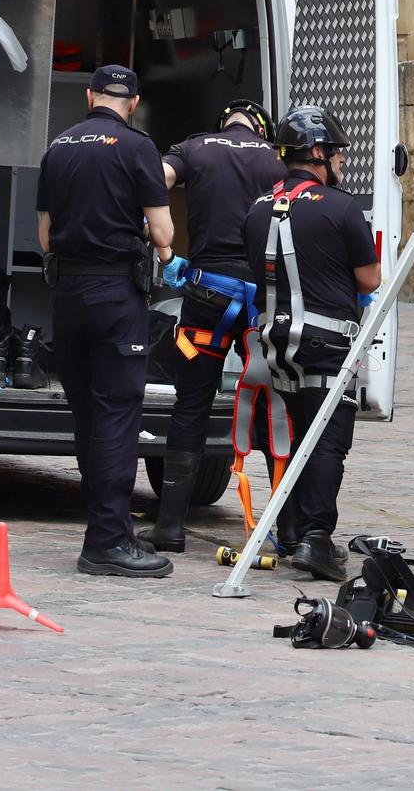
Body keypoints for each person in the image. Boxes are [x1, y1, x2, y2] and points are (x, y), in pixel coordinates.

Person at [35, 64, 176, 579]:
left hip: (68, 295)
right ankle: (109, 542)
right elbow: (162, 232)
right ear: (133, 102)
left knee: (89, 419)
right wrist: (159, 244)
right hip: (116, 295)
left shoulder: (59, 146)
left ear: (90, 95)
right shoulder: (138, 148)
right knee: (118, 414)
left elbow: (45, 237)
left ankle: (106, 525)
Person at [241, 105, 380, 582]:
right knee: (327, 444)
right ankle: (316, 539)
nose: (341, 162)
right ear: (317, 152)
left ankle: (294, 528)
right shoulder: (341, 208)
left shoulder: (257, 208)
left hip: (277, 345)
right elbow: (370, 278)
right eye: (337, 153)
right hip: (326, 344)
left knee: (293, 437)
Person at [148, 98, 285, 553]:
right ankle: (287, 530)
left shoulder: (194, 149)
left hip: (207, 297)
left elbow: (154, 182)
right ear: (261, 126)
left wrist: (166, 255)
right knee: (271, 406)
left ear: (222, 122)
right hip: (259, 304)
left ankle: (169, 527)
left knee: (191, 404)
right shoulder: (275, 157)